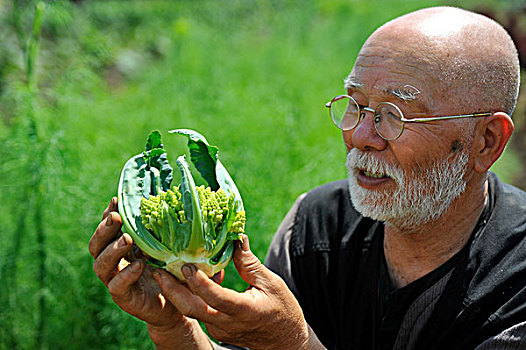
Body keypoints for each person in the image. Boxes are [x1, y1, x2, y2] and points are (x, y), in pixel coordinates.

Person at [89, 6, 526, 350]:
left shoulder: (515, 279)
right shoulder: (315, 227)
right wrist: (172, 324)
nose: (359, 135)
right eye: (354, 105)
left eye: (394, 115)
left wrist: (293, 343)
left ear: (486, 141)